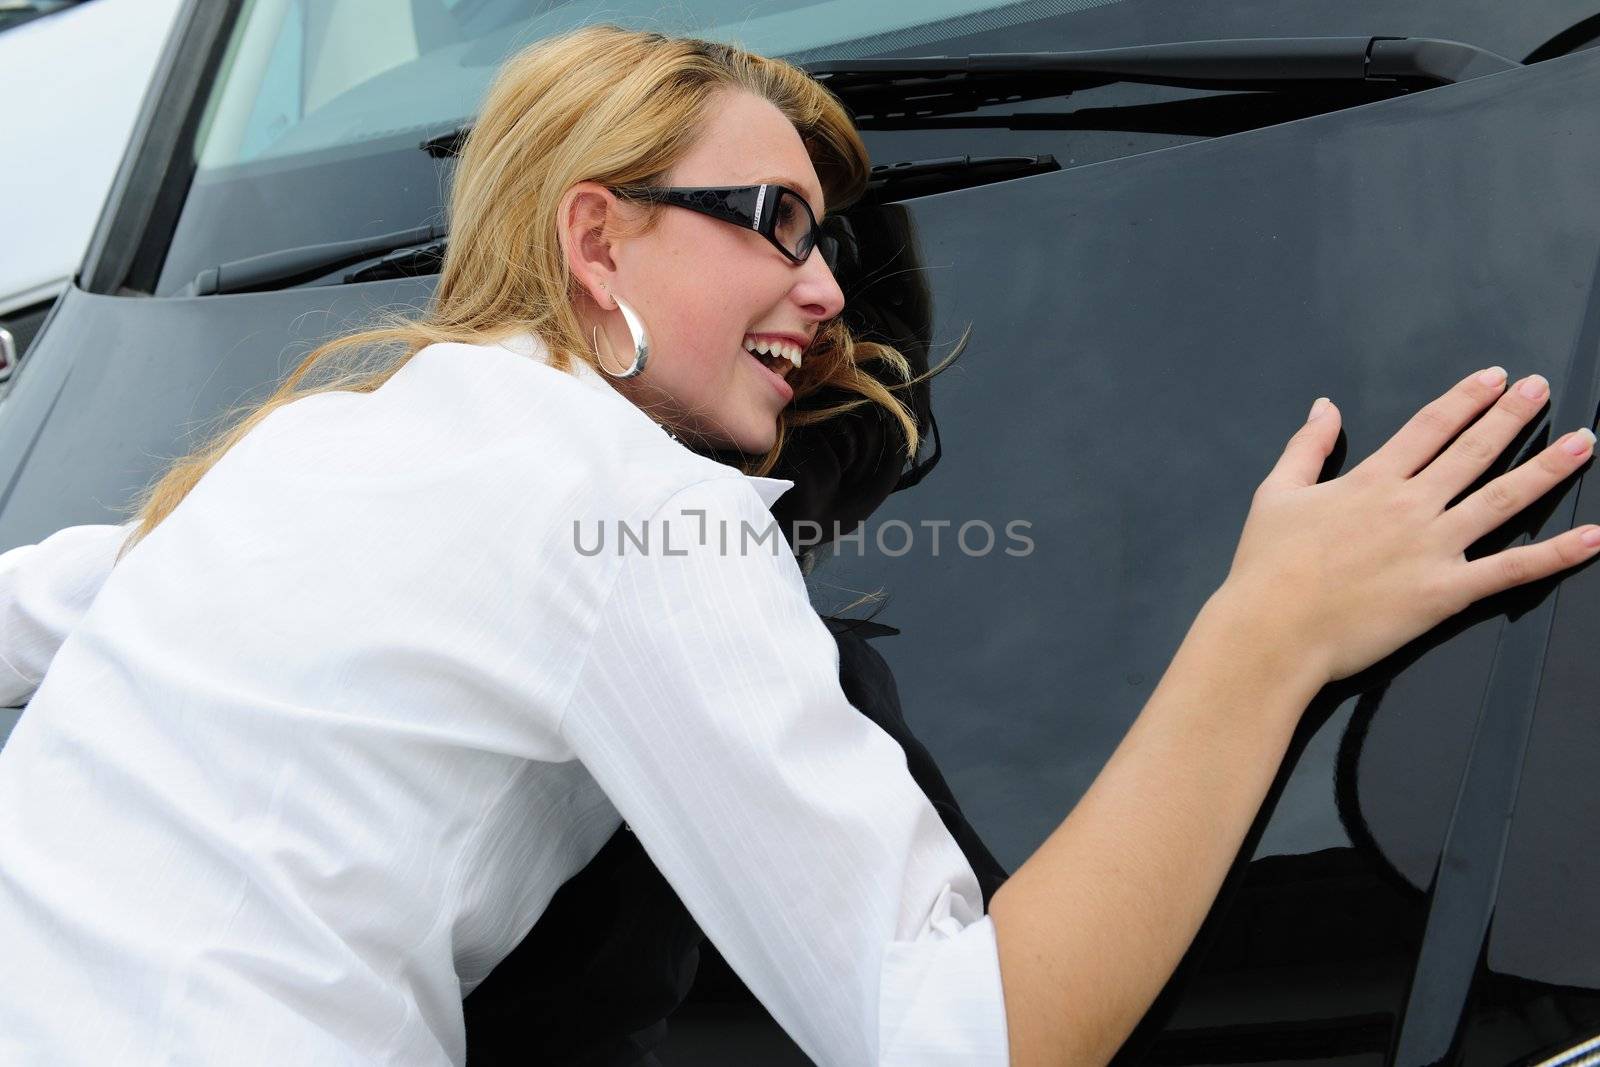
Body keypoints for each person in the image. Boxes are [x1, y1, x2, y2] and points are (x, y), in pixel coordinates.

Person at [1, 22, 1597, 1067]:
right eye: (769, 222)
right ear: (594, 234)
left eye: (827, 240)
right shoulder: (627, 512)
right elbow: (955, 1046)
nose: (824, 288)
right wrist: (1272, 632)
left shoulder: (309, 451)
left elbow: (44, 611)